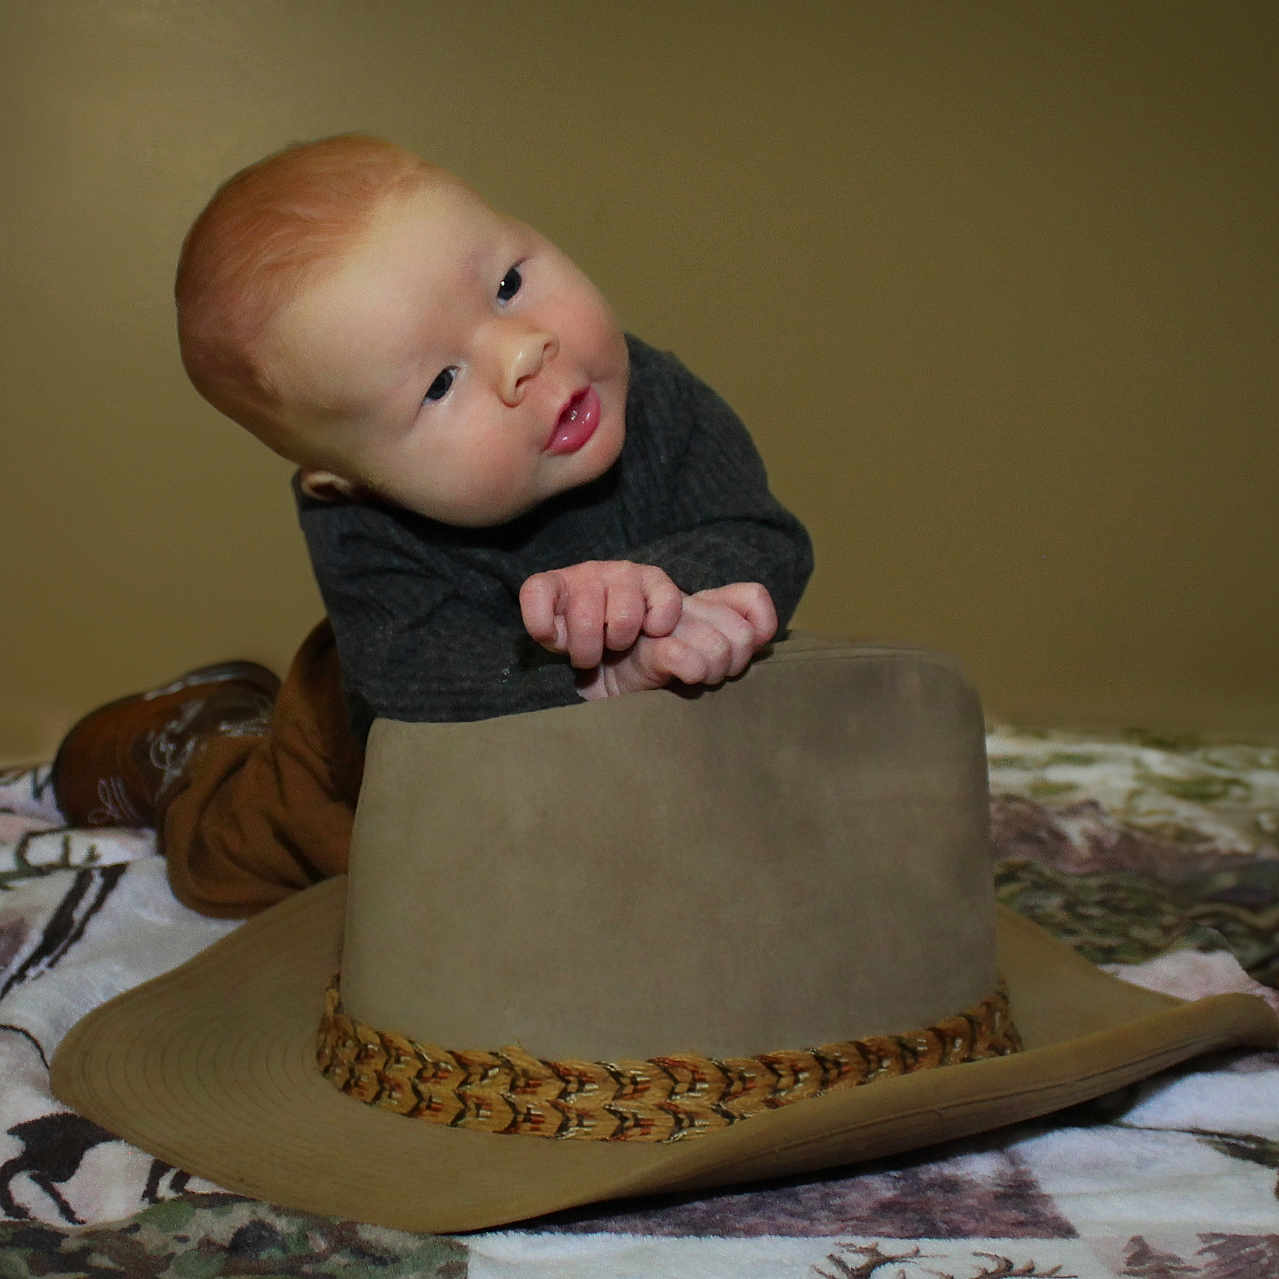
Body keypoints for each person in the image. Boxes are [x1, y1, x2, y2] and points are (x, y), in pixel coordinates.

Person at [52, 135, 813, 917]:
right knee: (226, 864)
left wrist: (662, 594)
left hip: (588, 765)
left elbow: (764, 539)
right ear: (349, 483)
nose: (523, 353)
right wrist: (593, 674)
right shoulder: (359, 526)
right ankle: (191, 735)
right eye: (442, 381)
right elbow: (410, 683)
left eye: (508, 284)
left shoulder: (648, 393)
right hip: (363, 745)